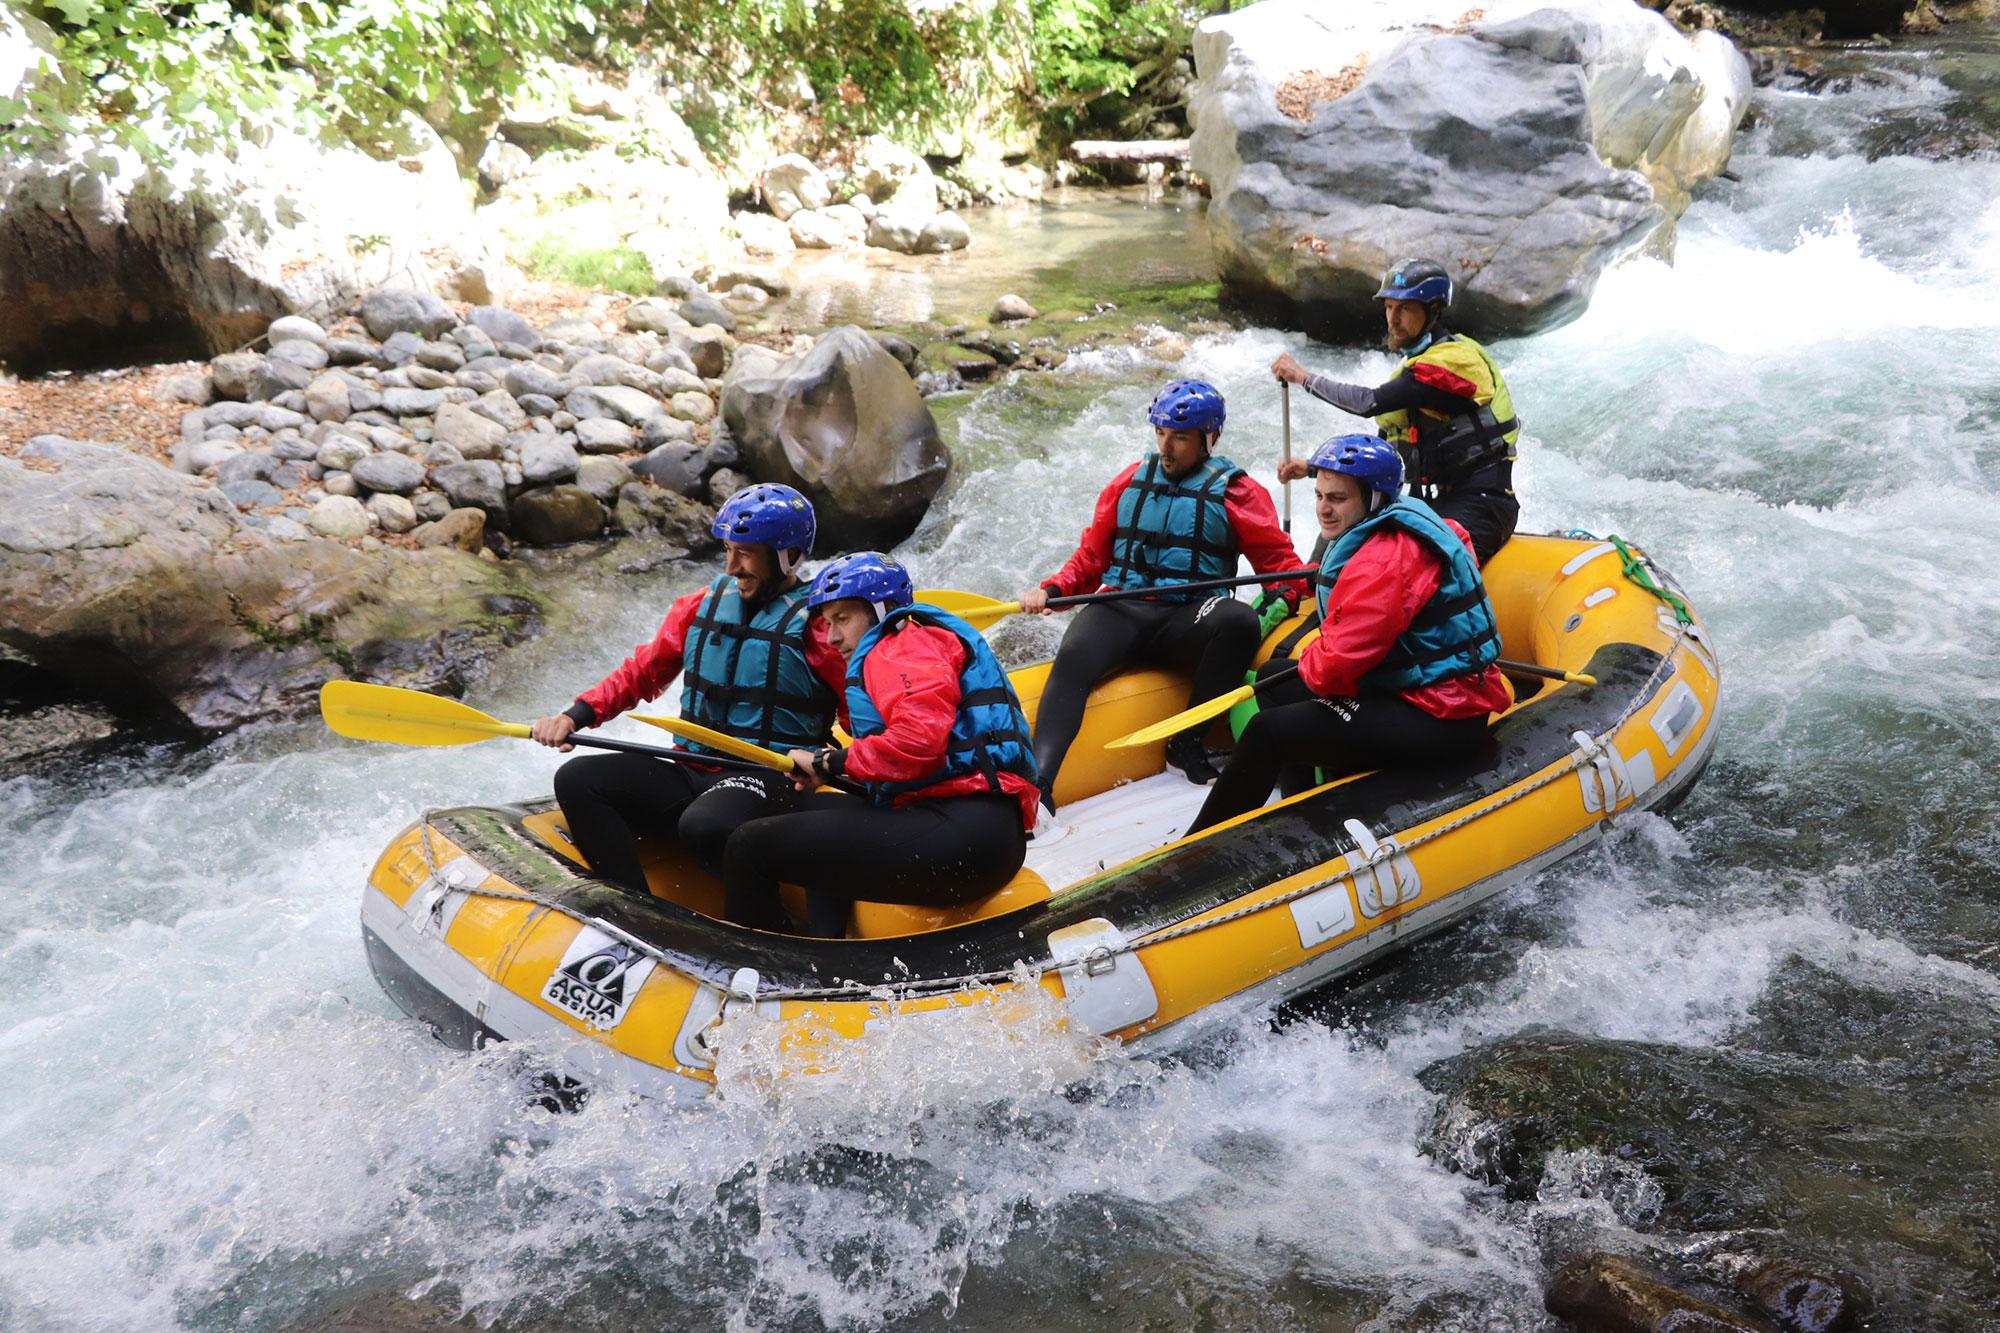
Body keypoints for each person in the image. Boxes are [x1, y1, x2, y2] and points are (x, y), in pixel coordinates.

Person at [1185, 435, 1513, 835]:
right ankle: (1303, 816)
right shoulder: (1398, 519)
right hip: (1414, 690)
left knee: (1268, 732)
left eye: (1338, 499)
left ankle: (1196, 848)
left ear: (1373, 498)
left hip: (1439, 716)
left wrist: (1312, 654)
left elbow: (1330, 671)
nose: (1324, 508)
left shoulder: (1384, 563)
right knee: (1274, 677)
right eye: (1320, 495)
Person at [528, 483, 843, 896]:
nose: (731, 566)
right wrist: (575, 716)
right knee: (578, 779)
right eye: (729, 550)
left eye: (745, 553)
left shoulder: (823, 627)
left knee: (705, 824)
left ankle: (770, 925)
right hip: (690, 767)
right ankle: (633, 906)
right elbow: (643, 671)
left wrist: (843, 764)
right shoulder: (702, 604)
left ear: (788, 557)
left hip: (768, 778)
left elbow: (864, 711)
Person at [719, 553, 1043, 937]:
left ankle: (758, 970)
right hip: (974, 828)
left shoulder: (900, 647)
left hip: (967, 838)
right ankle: (827, 949)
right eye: (826, 623)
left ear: (880, 610)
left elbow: (919, 742)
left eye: (843, 619)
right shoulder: (909, 643)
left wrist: (829, 762)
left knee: (748, 844)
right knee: (813, 811)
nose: (832, 637)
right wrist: (831, 769)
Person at [1018, 378, 1310, 799]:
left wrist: (1308, 581)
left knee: (1239, 620)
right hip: (1122, 610)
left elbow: (1277, 564)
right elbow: (1091, 559)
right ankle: (1039, 784)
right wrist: (1053, 588)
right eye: (1161, 433)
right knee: (1075, 654)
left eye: (1180, 437)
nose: (1166, 447)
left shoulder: (1237, 492)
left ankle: (1185, 744)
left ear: (1209, 438)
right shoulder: (1128, 482)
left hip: (1187, 618)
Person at [1270, 257, 1521, 565]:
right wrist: (1310, 468)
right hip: (1437, 502)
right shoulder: (1416, 367)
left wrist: (1304, 378)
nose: (1393, 318)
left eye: (1405, 308)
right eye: (1389, 307)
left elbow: (1368, 403)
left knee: (1421, 571)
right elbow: (1385, 454)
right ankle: (1311, 589)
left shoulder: (1451, 362)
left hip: (1481, 503)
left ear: (1433, 310)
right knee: (1341, 534)